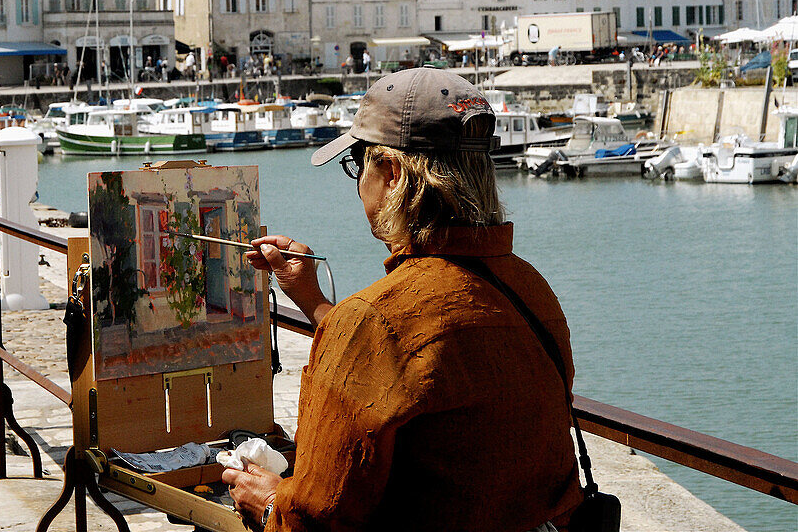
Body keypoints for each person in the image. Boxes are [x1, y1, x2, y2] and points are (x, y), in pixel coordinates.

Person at [223, 67, 583, 531]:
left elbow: (317, 519)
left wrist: (272, 503)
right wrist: (311, 298)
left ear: (392, 174)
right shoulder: (530, 288)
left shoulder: (377, 320)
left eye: (358, 165)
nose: (357, 185)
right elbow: (420, 373)